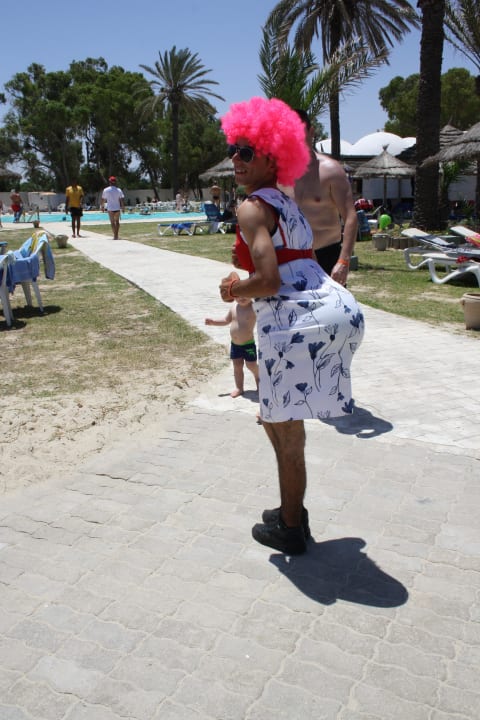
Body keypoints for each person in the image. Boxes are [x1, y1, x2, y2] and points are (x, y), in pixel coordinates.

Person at [220, 97, 365, 555]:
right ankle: (290, 510)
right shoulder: (286, 202)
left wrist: (233, 289)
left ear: (273, 156)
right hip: (331, 311)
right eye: (234, 149)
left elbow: (268, 280)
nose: (236, 158)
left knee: (285, 430)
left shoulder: (251, 208)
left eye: (247, 151)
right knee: (277, 418)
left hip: (292, 325)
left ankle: (290, 528)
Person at [283, 110, 358, 285]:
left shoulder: (331, 170)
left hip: (327, 257)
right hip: (290, 258)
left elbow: (350, 217)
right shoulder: (279, 174)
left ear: (311, 132)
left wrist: (343, 261)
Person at [205, 296, 259, 398]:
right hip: (235, 345)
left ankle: (259, 380)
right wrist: (213, 322)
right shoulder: (234, 307)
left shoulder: (254, 307)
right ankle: (239, 388)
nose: (241, 297)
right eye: (238, 295)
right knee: (237, 366)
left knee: (251, 365)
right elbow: (226, 320)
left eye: (245, 294)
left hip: (248, 344)